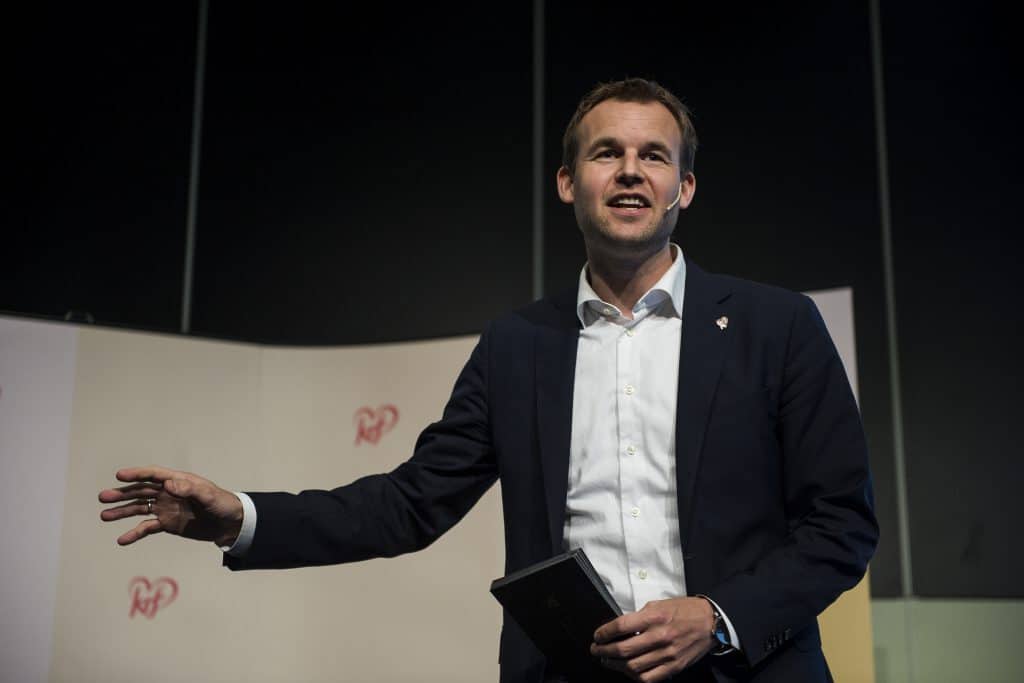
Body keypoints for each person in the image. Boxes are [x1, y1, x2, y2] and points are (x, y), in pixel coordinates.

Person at [100, 78, 878, 682]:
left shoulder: (778, 326)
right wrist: (240, 516)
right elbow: (409, 504)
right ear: (568, 182)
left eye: (654, 156)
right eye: (607, 152)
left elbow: (841, 524)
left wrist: (715, 614)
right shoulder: (516, 346)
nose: (630, 171)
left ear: (686, 187)